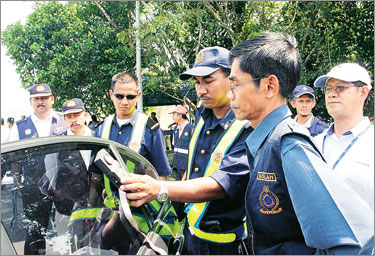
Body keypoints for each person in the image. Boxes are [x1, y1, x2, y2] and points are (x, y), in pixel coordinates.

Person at [226, 31, 373, 254]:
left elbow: (351, 243)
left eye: (235, 84)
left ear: (269, 86)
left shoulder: (288, 145)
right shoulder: (267, 141)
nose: (230, 95)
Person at [121, 46, 253, 255]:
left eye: (208, 81)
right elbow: (193, 172)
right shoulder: (201, 117)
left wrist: (160, 189)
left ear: (231, 80)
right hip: (192, 238)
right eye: (197, 82)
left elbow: (220, 185)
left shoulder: (247, 124)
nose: (201, 90)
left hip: (226, 244)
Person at [9, 83, 67, 255]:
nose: (40, 102)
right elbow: (15, 157)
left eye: (44, 98)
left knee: (66, 229)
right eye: (37, 99)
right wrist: (18, 178)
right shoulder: (20, 127)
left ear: (52, 99)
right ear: (31, 101)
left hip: (63, 185)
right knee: (35, 232)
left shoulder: (64, 122)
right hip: (33, 188)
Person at [313, 63, 374, 212]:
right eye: (328, 88)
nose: (331, 94)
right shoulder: (314, 144)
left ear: (363, 93)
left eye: (340, 87)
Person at [94, 72, 171, 180]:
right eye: (119, 96)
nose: (124, 102)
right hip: (110, 197)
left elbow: (162, 174)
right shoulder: (101, 129)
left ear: (138, 96)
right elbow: (96, 174)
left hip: (141, 196)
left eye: (130, 97)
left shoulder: (151, 130)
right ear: (111, 95)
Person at [169, 105, 193, 181]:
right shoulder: (175, 128)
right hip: (176, 163)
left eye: (174, 115)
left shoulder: (191, 128)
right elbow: (174, 145)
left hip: (185, 164)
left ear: (180, 116)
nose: (172, 117)